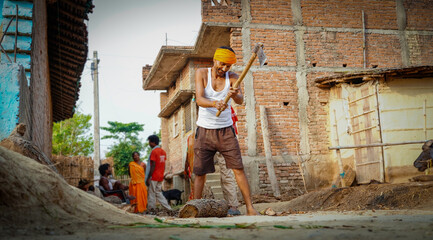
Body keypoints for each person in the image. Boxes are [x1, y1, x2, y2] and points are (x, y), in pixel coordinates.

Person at [193, 46, 257, 215]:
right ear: (215, 60)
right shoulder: (201, 73)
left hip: (226, 131)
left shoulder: (233, 77)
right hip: (205, 130)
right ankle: (195, 209)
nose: (224, 68)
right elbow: (199, 99)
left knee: (238, 168)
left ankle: (250, 208)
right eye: (222, 64)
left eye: (228, 66)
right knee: (200, 172)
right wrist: (215, 103)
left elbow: (241, 100)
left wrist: (235, 94)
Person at [145, 135, 172, 210]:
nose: (149, 144)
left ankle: (151, 209)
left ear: (153, 142)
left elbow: (153, 165)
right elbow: (163, 164)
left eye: (149, 142)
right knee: (158, 193)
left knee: (151, 193)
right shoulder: (163, 151)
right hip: (160, 176)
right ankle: (168, 208)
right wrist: (162, 174)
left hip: (154, 176)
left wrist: (148, 177)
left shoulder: (154, 151)